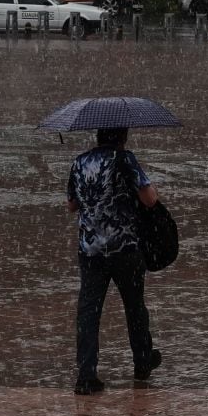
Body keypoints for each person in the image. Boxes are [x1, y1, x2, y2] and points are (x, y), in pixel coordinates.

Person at [67, 126, 161, 395]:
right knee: (134, 307)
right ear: (123, 137)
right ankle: (142, 362)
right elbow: (150, 199)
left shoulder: (79, 162)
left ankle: (86, 376)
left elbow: (71, 205)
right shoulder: (125, 159)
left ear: (98, 136)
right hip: (125, 249)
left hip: (90, 250)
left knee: (88, 313)